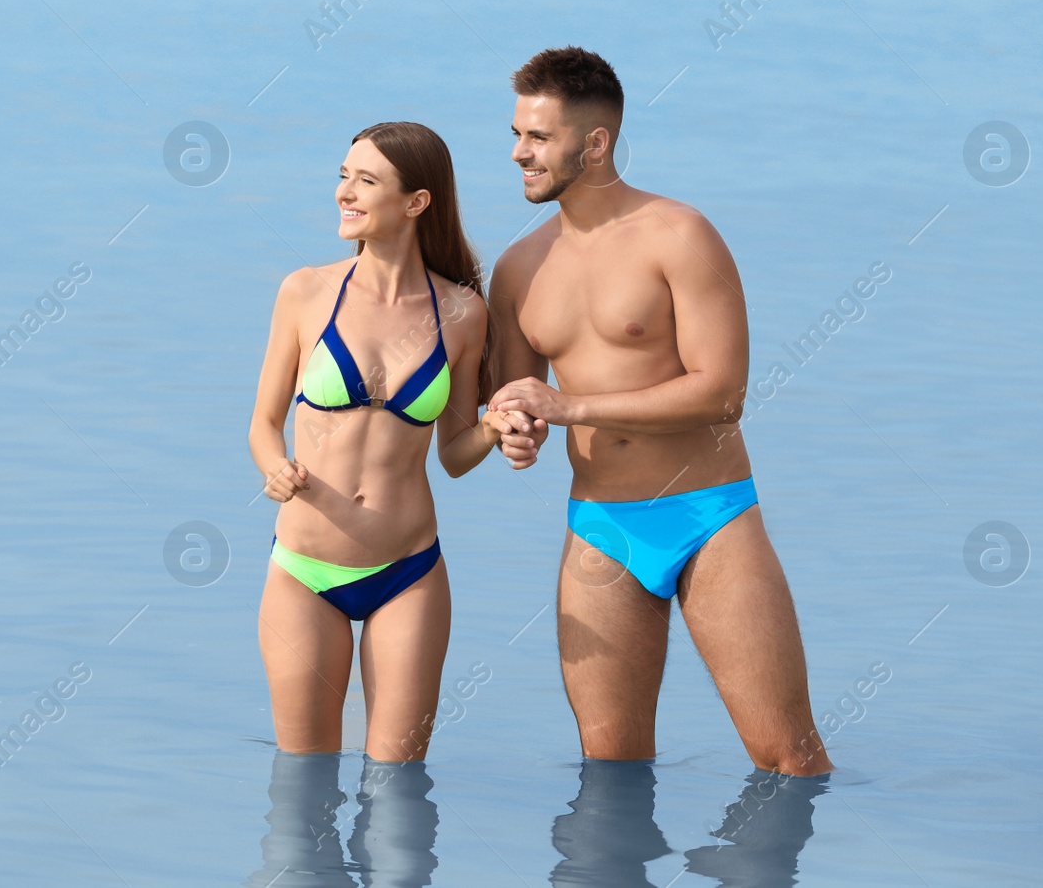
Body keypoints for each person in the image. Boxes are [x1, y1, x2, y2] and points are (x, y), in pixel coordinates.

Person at [486, 47, 833, 776]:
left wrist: (570, 402)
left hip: (711, 515)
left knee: (790, 758)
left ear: (596, 142)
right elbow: (520, 403)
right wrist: (518, 430)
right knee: (610, 771)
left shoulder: (679, 234)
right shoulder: (519, 268)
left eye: (538, 137)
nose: (518, 151)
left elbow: (723, 392)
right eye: (517, 132)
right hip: (601, 528)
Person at [248, 121, 540, 762]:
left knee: (399, 801)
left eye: (365, 180)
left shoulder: (462, 313)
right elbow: (264, 422)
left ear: (416, 202)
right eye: (343, 175)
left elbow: (454, 457)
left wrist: (492, 427)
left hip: (407, 573)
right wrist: (273, 468)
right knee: (304, 790)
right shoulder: (305, 292)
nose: (344, 193)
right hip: (302, 571)